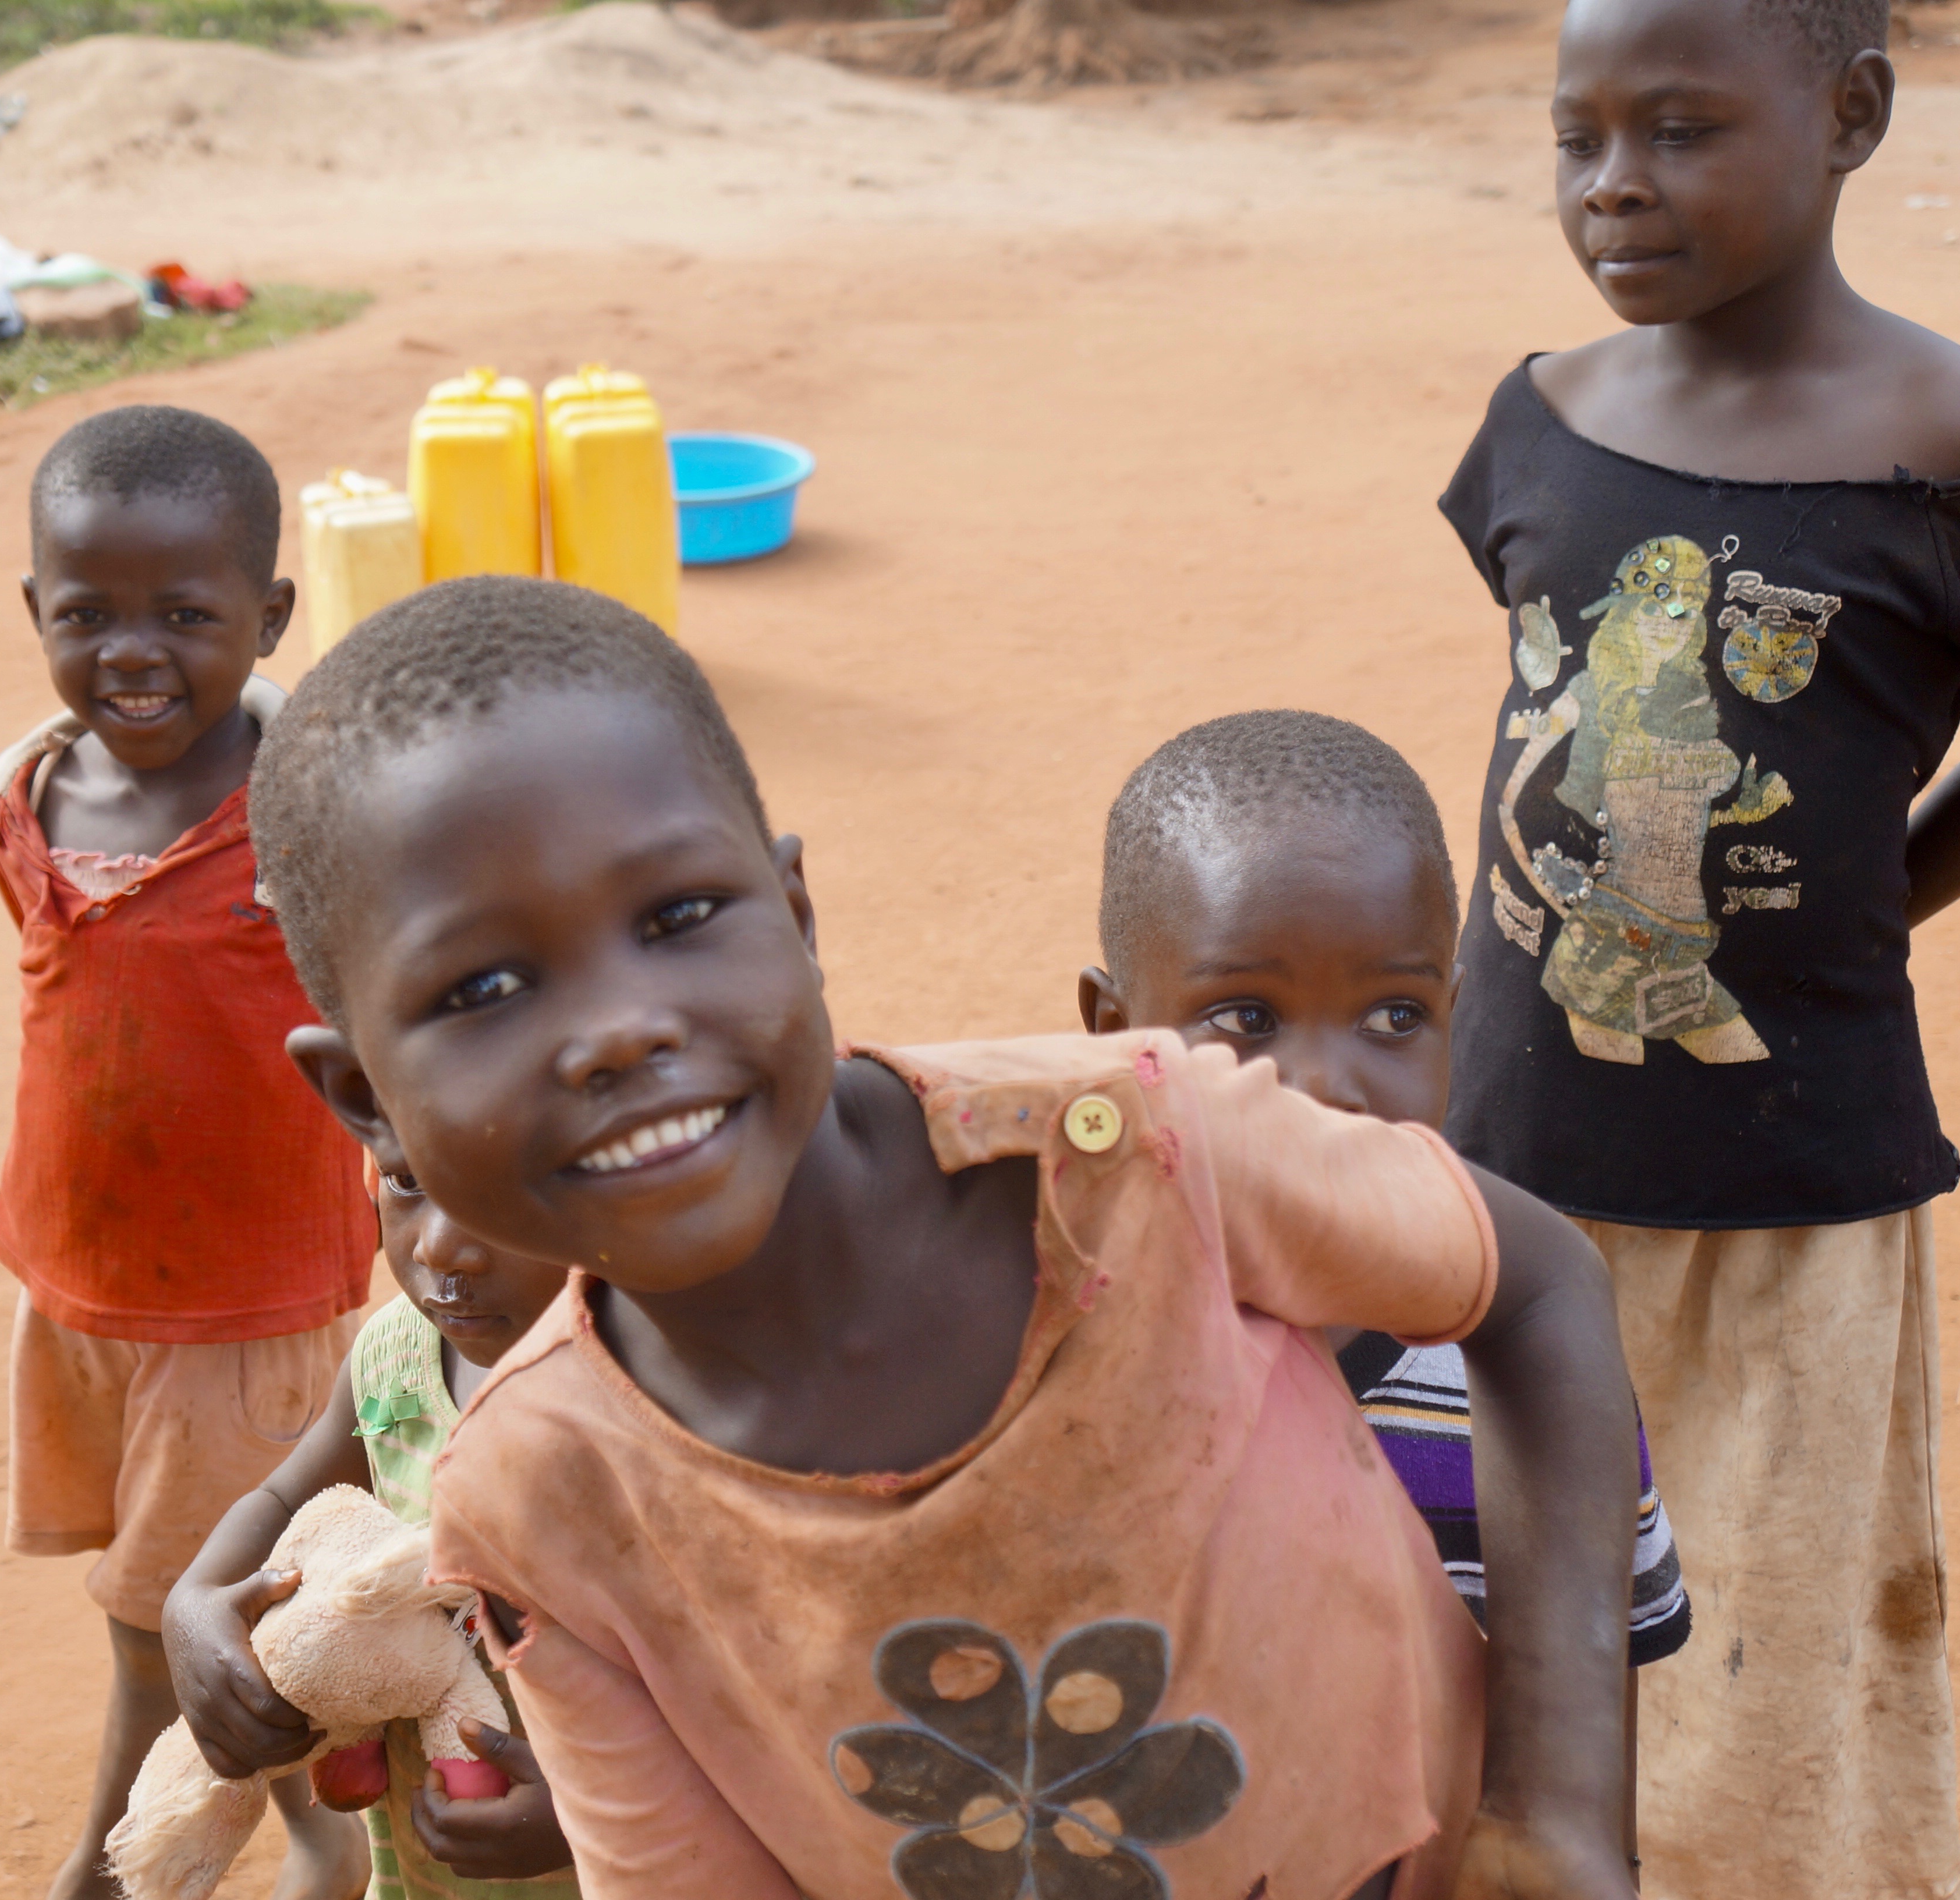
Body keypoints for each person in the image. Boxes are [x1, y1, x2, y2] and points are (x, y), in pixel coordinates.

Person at [245, 575, 1642, 1900]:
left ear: (795, 914)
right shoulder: (540, 1493)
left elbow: (1532, 1287)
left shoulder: (1139, 1154)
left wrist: (1556, 1813)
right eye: (483, 988)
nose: (619, 1029)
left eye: (676, 916)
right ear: (365, 1101)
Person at [1439, 0, 1960, 1890]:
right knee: (1502, 1598)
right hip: (1513, 1166)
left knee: (1772, 1627)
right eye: (1579, 136)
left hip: (1799, 1190)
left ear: (1853, 113)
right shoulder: (1544, 413)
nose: (1613, 185)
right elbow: (1542, 708)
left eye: (1681, 129)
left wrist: (1870, 911)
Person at [1075, 709, 1693, 1873]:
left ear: (1456, 1014)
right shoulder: (1050, 1366)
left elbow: (1580, 1813)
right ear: (1114, 1032)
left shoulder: (1537, 1390)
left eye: (1394, 1017)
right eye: (1244, 1018)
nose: (1326, 1085)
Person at [0, 407, 379, 1900]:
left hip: (243, 1305)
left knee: (166, 1623)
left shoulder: (309, 816)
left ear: (268, 617)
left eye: (185, 617)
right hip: (78, 1282)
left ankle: (108, 1872)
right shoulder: (19, 802)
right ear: (36, 610)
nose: (131, 653)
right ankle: (330, 1843)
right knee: (170, 1605)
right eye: (87, 614)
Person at [162, 1162, 577, 1900]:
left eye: (501, 1185)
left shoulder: (662, 1404)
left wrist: (587, 1817)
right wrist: (193, 1605)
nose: (439, 1246)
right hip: (426, 1875)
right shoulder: (396, 1355)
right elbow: (284, 1498)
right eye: (408, 1178)